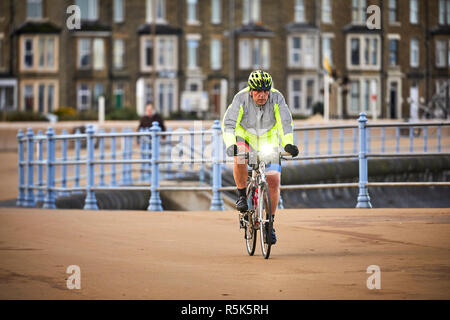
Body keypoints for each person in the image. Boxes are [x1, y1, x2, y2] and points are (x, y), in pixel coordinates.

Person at [221, 70, 299, 245]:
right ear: (250, 91)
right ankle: (241, 195)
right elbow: (228, 125)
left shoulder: (277, 98)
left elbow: (285, 123)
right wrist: (230, 145)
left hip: (268, 141)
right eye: (258, 91)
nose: (262, 95)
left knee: (274, 180)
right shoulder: (240, 99)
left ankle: (269, 224)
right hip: (245, 138)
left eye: (266, 91)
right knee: (240, 155)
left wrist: (288, 143)